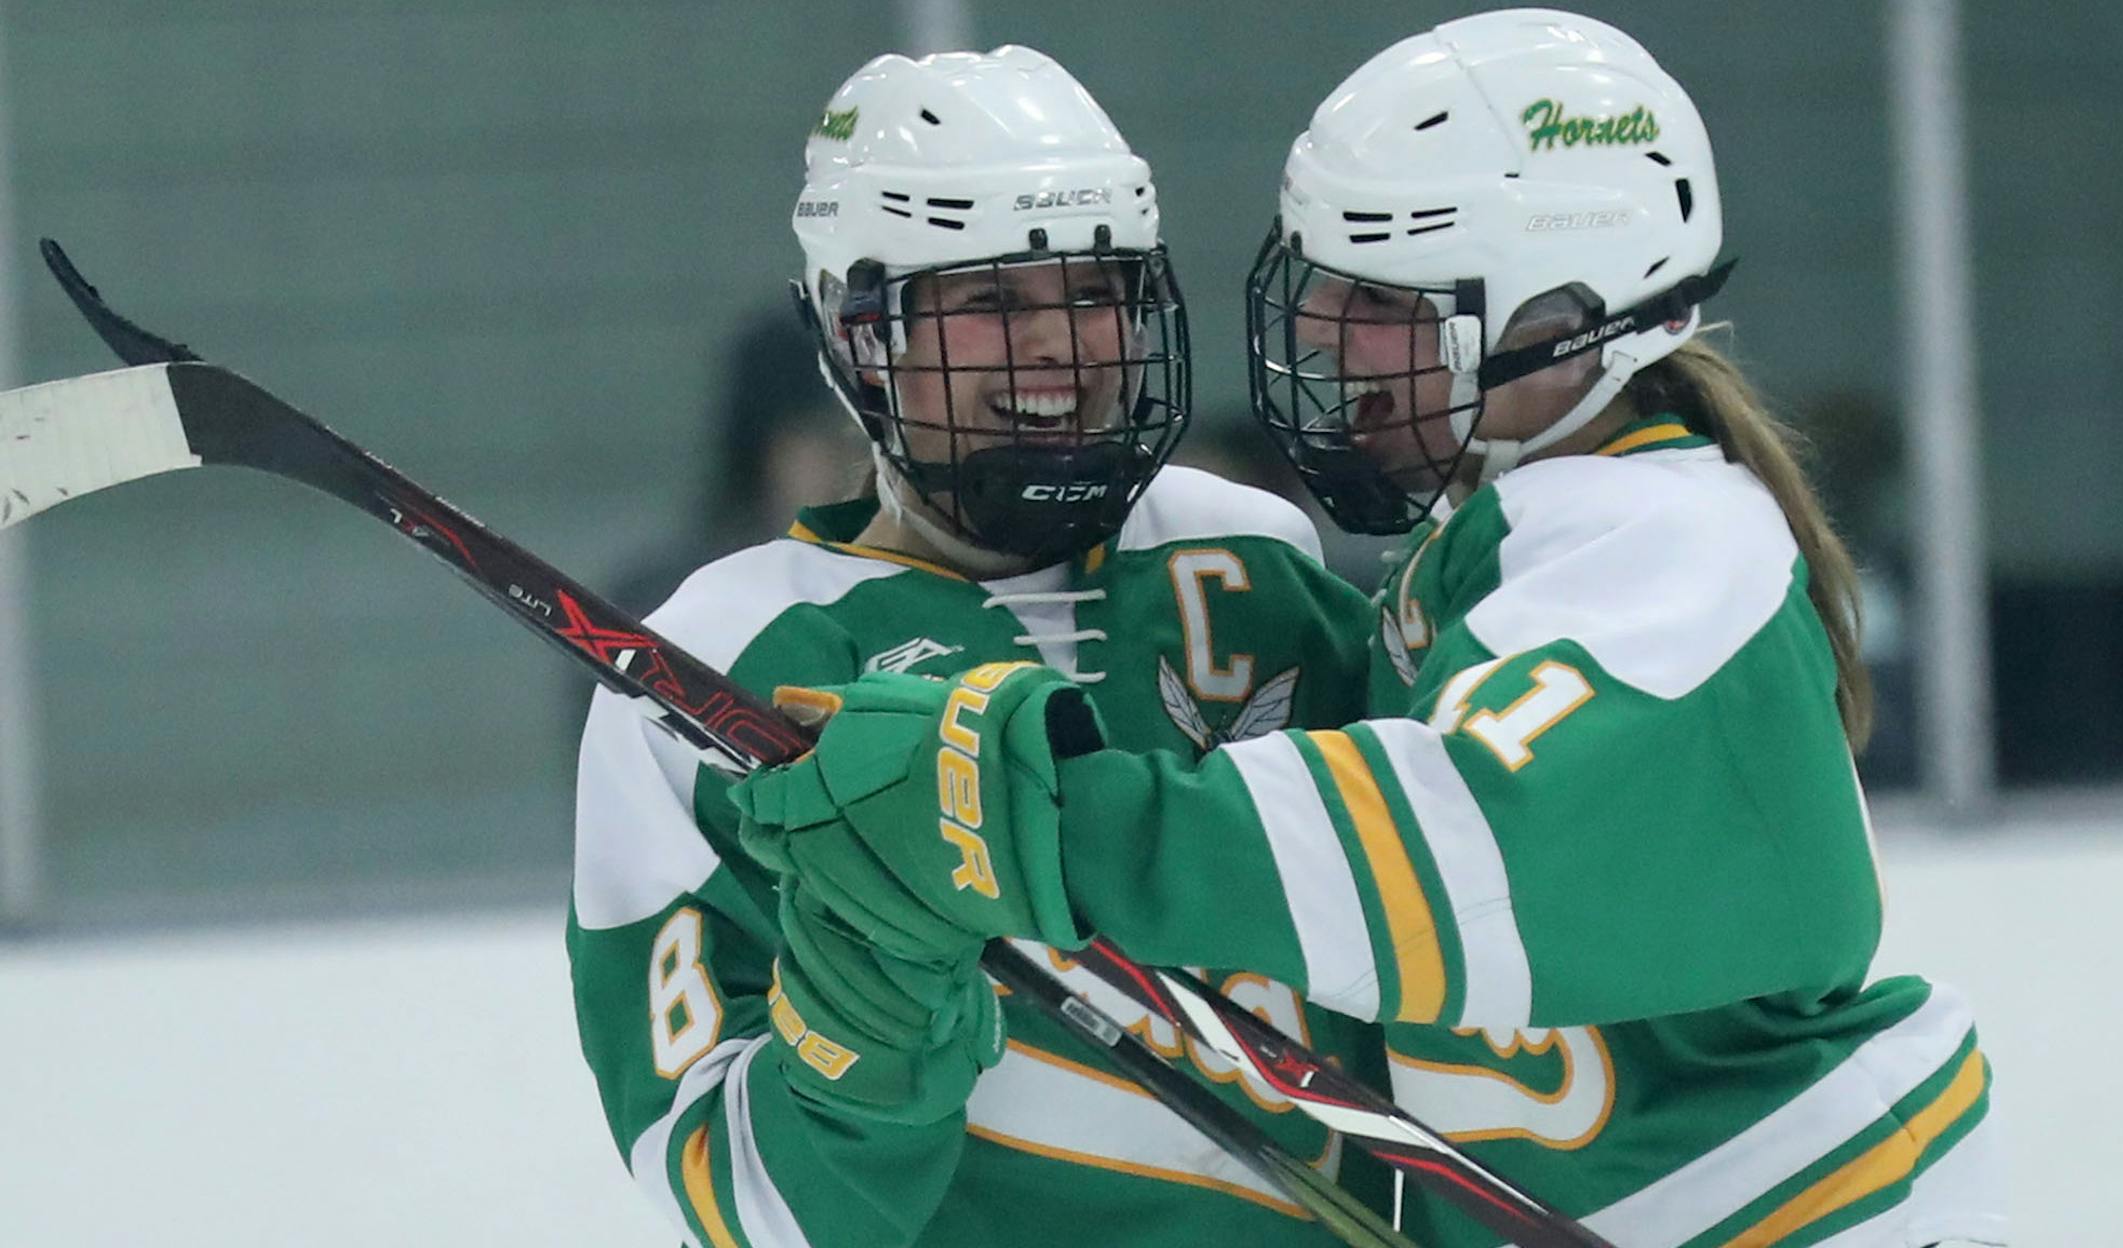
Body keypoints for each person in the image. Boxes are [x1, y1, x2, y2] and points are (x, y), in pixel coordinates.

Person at [732, 12, 2008, 1247]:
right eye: (1333, 290)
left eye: (1390, 302)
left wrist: (1031, 819)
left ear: (1559, 319)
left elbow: (1465, 844)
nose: (1335, 344)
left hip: (1805, 1211)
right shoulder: (1502, 550)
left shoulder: (1671, 550)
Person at [568, 45, 1391, 1248]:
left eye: (1097, 290)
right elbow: (746, 1202)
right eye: (994, 301)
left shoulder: (1258, 556)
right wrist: (874, 993)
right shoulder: (719, 662)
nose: (1063, 344)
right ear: (859, 337)